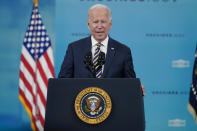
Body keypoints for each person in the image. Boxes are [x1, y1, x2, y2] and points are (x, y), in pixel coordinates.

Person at [58, 4, 145, 95]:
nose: (100, 26)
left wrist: (136, 87)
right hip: (81, 106)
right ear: (88, 24)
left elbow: (129, 83)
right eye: (95, 22)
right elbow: (63, 82)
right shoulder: (74, 49)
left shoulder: (123, 51)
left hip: (113, 106)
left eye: (103, 21)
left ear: (110, 24)